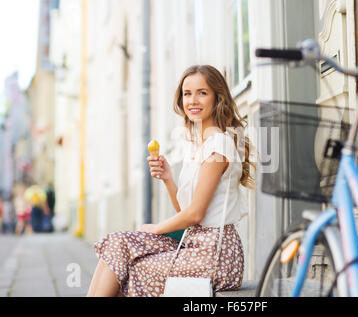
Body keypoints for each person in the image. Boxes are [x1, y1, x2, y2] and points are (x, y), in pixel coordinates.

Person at [88, 65, 256, 297]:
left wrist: (157, 228)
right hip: (194, 242)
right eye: (187, 94)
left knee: (135, 268)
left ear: (218, 98)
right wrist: (168, 179)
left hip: (215, 254)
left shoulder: (218, 145)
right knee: (119, 243)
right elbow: (188, 212)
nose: (192, 101)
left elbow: (195, 215)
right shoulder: (199, 145)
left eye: (202, 93)